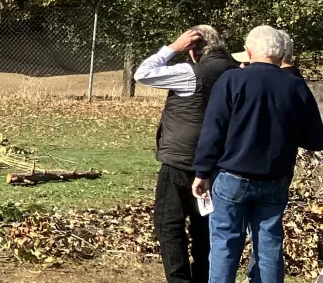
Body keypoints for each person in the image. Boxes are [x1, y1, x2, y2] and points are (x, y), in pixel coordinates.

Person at [192, 26, 323, 283]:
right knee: (269, 245)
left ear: (249, 50)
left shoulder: (231, 80)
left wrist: (202, 172)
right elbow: (315, 139)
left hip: (231, 175)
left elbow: (213, 131)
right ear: (281, 52)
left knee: (224, 244)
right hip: (275, 178)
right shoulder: (296, 86)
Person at [133, 26, 236, 283]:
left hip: (181, 161)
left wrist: (172, 47)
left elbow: (142, 73)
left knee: (169, 225)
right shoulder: (235, 71)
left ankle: (179, 279)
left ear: (193, 50)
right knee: (205, 229)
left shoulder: (191, 73)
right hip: (218, 163)